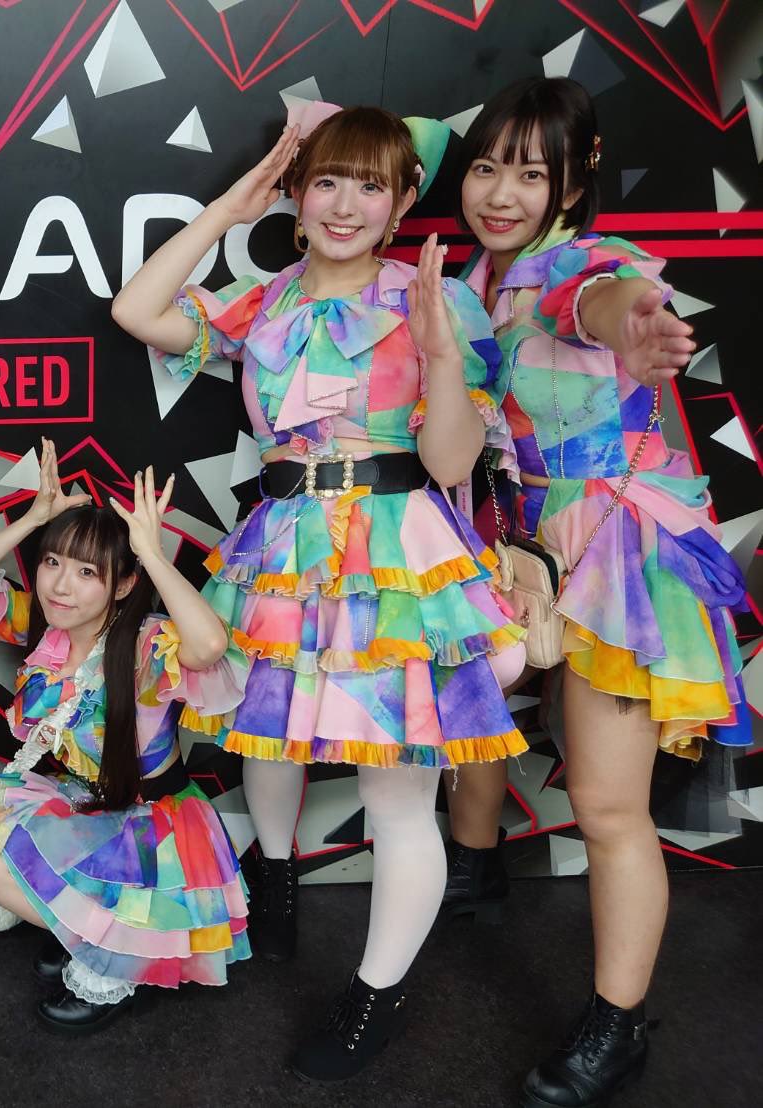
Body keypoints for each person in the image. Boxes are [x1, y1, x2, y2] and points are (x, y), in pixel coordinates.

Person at [111, 105, 526, 1079]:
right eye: (326, 181)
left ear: (402, 201)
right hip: (283, 542)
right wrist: (229, 209)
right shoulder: (265, 302)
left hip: (394, 551)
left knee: (397, 793)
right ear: (295, 195)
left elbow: (452, 461)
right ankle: (277, 879)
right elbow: (137, 310)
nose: (344, 205)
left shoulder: (435, 299)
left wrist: (436, 354)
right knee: (268, 732)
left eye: (369, 185)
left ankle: (375, 996)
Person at [447, 77, 752, 1108]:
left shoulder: (577, 264)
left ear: (573, 182)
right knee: (459, 699)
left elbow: (599, 297)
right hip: (512, 536)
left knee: (605, 805)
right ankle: (472, 866)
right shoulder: (468, 281)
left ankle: (616, 1027)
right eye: (485, 167)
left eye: (530, 174)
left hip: (617, 549)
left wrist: (632, 327)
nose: (500, 193)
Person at [0, 442, 250, 1033]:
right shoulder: (45, 626)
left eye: (87, 573)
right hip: (88, 800)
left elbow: (209, 646)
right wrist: (33, 519)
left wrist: (150, 553)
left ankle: (117, 959)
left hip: (151, 826)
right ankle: (80, 930)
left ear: (123, 585)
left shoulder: (146, 644)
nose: (61, 585)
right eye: (53, 562)